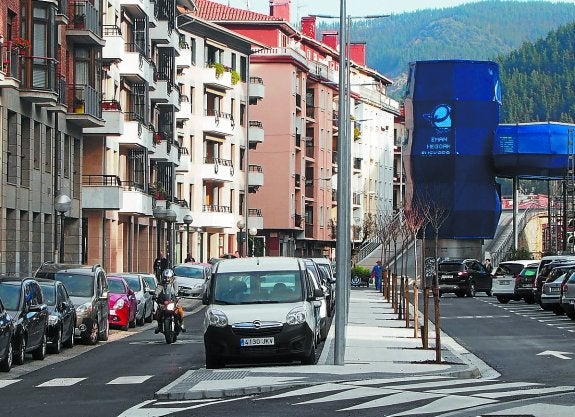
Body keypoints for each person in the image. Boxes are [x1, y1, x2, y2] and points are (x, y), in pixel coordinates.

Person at [154, 268, 185, 334]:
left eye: (168, 277)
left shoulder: (174, 282)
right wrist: (155, 295)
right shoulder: (161, 283)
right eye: (165, 277)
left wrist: (177, 295)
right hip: (164, 301)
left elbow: (176, 290)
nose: (167, 279)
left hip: (172, 300)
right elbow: (158, 289)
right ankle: (159, 325)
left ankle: (181, 324)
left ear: (171, 277)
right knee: (158, 312)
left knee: (180, 310)